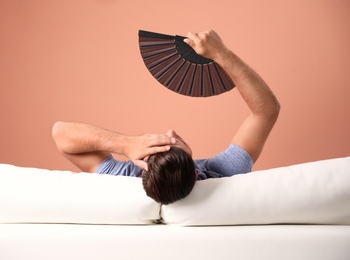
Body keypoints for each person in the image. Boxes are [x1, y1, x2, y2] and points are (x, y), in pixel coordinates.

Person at [52, 30, 280, 205]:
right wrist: (221, 53)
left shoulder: (123, 178)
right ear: (194, 172)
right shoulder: (223, 173)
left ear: (145, 170)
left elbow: (60, 133)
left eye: (162, 143)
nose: (170, 132)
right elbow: (267, 110)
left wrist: (126, 144)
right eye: (173, 143)